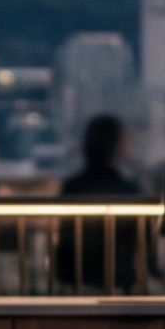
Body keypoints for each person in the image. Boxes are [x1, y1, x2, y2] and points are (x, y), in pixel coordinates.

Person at [53, 113, 142, 289]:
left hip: (74, 274)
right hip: (118, 274)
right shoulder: (127, 189)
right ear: (116, 144)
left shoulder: (73, 186)